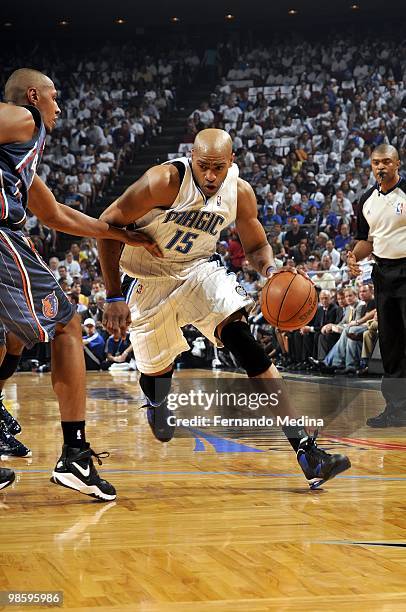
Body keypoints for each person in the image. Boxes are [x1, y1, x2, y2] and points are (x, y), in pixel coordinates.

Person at [98, 128, 351, 489]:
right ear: (192, 158)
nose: (212, 176)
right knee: (156, 372)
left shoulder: (239, 191)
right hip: (147, 279)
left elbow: (256, 242)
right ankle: (157, 402)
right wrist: (112, 297)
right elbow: (106, 226)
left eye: (219, 167)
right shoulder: (162, 182)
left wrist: (269, 270)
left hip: (200, 271)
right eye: (204, 167)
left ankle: (307, 450)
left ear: (232, 161)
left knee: (245, 343)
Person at [0, 68, 159, 497]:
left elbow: (56, 216)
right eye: (53, 96)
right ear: (33, 96)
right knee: (67, 326)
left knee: (10, 338)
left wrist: (118, 234)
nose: (59, 107)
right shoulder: (24, 119)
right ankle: (74, 455)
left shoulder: (17, 160)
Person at [348, 144, 406, 426]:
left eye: (386, 162)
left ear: (397, 163)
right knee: (391, 343)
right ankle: (396, 409)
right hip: (382, 273)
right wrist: (353, 256)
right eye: (375, 163)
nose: (380, 167)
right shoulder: (366, 200)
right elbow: (366, 241)